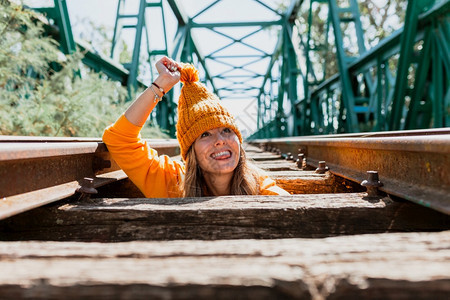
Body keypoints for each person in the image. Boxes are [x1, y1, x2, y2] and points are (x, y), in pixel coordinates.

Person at [102, 56, 289, 198]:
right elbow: (119, 139)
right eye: (205, 134)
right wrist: (161, 84)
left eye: (226, 130)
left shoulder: (260, 188)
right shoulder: (173, 183)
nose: (220, 141)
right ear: (190, 151)